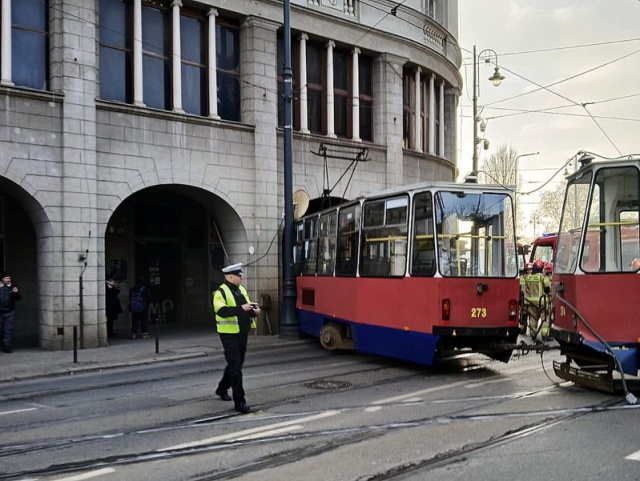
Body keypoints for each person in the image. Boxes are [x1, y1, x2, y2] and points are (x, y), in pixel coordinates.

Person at [213, 262, 260, 414]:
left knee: (236, 364)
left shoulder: (242, 290)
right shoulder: (221, 291)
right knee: (235, 366)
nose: (241, 279)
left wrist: (254, 311)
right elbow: (221, 311)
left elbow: (247, 309)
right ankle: (239, 401)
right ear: (231, 276)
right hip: (228, 334)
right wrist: (241, 308)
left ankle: (221, 388)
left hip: (242, 332)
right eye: (239, 276)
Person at [520, 259, 551, 340]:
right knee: (545, 318)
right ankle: (545, 335)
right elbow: (547, 289)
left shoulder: (528, 277)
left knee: (533, 318)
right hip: (541, 302)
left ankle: (533, 335)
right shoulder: (542, 277)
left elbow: (525, 289)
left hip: (531, 302)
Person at [0, 271, 22, 353]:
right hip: (0, 312)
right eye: (6, 278)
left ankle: (7, 345)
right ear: (2, 279)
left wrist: (16, 293)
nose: (8, 280)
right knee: (1, 329)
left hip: (9, 312)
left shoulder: (12, 287)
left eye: (9, 278)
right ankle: (2, 344)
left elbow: (19, 298)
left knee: (8, 329)